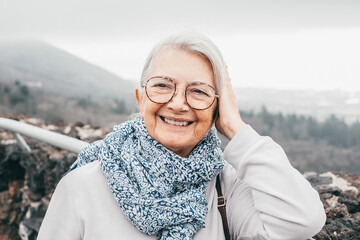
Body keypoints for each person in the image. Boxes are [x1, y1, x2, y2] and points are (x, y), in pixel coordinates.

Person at [37, 33, 326, 240]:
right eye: (163, 85)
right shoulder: (83, 186)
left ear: (218, 107)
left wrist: (236, 129)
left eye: (198, 91)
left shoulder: (227, 188)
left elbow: (303, 219)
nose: (178, 103)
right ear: (141, 98)